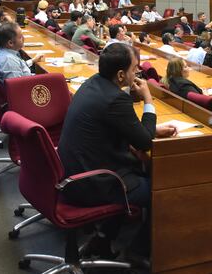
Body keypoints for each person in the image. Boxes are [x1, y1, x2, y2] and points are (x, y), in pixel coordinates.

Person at [57, 43, 178, 263]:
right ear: (121, 75)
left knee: (139, 170)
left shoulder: (92, 83)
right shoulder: (116, 99)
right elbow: (144, 143)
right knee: (163, 189)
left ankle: (103, 239)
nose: (137, 73)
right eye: (135, 69)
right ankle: (139, 250)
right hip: (92, 183)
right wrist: (148, 99)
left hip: (73, 174)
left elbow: (114, 127)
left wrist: (148, 130)